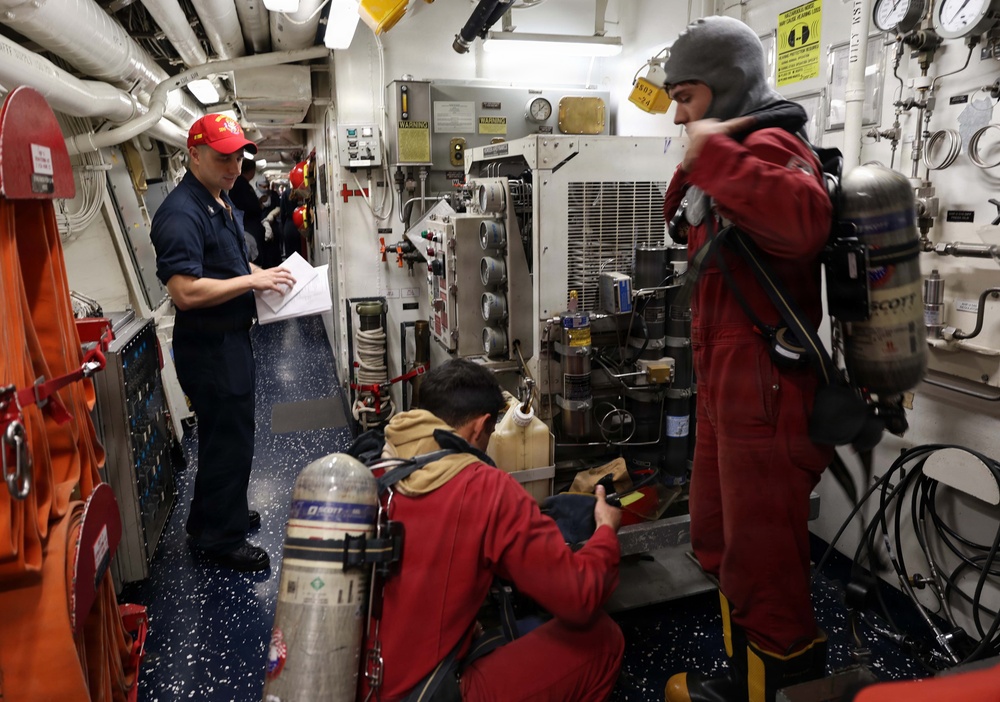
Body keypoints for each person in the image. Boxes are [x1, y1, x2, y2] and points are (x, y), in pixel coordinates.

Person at [659, 17, 834, 702]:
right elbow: (683, 221)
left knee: (765, 565)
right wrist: (699, 156)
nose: (678, 113)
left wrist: (714, 154)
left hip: (767, 391)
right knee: (721, 542)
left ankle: (780, 688)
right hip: (727, 390)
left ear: (727, 87)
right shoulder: (731, 150)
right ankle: (743, 681)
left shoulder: (774, 145)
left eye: (688, 96)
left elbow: (803, 220)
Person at [358, 358, 624, 701]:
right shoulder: (483, 486)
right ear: (480, 426)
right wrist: (605, 531)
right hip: (422, 694)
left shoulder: (376, 465)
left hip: (359, 679)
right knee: (603, 639)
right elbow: (578, 597)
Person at [150, 113, 295, 572]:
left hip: (230, 341)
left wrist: (265, 277)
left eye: (237, 157)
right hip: (210, 348)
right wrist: (250, 284)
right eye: (222, 159)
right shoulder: (180, 213)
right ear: (193, 155)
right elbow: (186, 291)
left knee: (224, 440)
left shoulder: (218, 199)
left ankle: (213, 517)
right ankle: (221, 539)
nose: (233, 168)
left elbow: (230, 266)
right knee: (229, 442)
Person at [229, 158, 266, 266]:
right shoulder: (241, 185)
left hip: (248, 226)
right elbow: (246, 206)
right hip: (248, 227)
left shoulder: (241, 184)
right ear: (252, 171)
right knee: (253, 258)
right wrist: (257, 205)